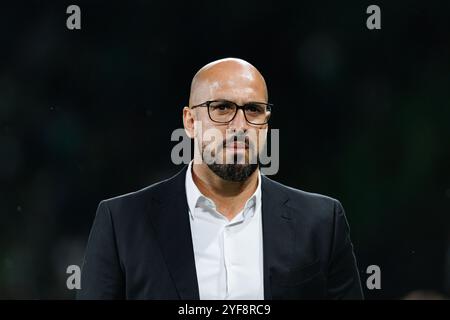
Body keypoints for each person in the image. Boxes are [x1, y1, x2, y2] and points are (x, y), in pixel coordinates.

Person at [78, 58, 363, 299]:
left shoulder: (322, 222)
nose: (240, 125)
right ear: (190, 122)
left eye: (253, 110)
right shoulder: (122, 222)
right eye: (222, 108)